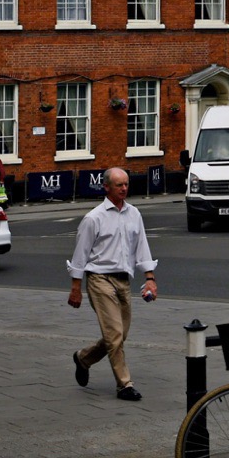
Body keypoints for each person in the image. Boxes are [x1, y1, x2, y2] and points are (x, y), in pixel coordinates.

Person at [67, 168, 158, 401]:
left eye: (126, 184)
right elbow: (80, 255)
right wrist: (76, 288)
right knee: (115, 334)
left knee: (119, 335)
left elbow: (142, 246)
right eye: (119, 185)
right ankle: (124, 385)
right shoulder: (93, 218)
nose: (124, 189)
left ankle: (83, 358)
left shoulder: (134, 214)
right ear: (106, 187)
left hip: (123, 280)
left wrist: (150, 278)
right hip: (99, 279)